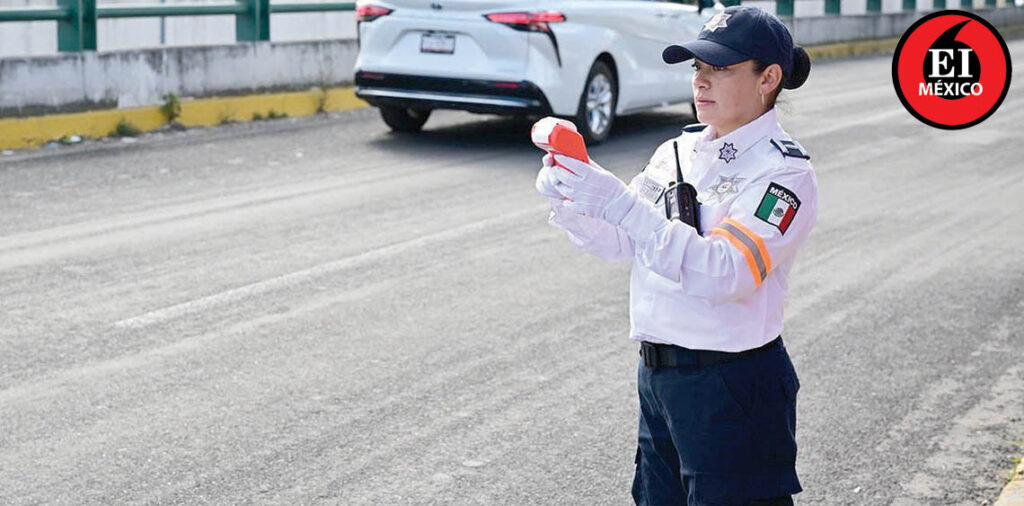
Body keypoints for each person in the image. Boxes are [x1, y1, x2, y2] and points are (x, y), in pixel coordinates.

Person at [534, 5, 816, 505]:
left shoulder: (783, 173)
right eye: (697, 67)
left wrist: (619, 204)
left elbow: (726, 273)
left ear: (768, 78)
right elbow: (621, 240)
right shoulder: (676, 152)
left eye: (720, 68)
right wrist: (573, 198)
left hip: (730, 384)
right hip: (659, 378)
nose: (701, 81)